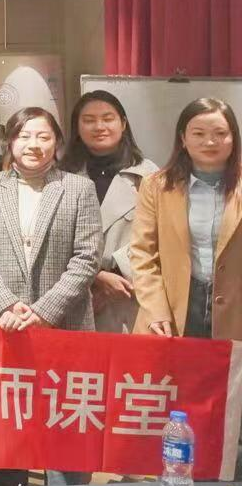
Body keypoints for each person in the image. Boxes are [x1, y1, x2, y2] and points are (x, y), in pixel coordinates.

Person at [0, 106, 102, 486]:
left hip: (66, 326)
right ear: (10, 141)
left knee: (67, 428)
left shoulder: (78, 188)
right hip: (5, 327)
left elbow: (87, 257)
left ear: (57, 142)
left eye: (43, 136)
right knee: (8, 429)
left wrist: (44, 311)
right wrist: (7, 304)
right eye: (24, 136)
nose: (34, 144)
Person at [130, 97, 242, 341]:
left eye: (220, 133)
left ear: (233, 138)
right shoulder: (156, 186)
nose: (210, 142)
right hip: (172, 309)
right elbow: (142, 253)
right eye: (198, 133)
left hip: (235, 312)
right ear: (183, 139)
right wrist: (156, 308)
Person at [59, 90, 159, 333]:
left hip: (129, 295)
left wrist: (116, 272)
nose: (99, 127)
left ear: (123, 123)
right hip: (75, 297)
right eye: (89, 120)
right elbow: (52, 239)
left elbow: (162, 239)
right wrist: (96, 276)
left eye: (107, 118)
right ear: (77, 127)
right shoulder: (61, 176)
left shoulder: (149, 176)